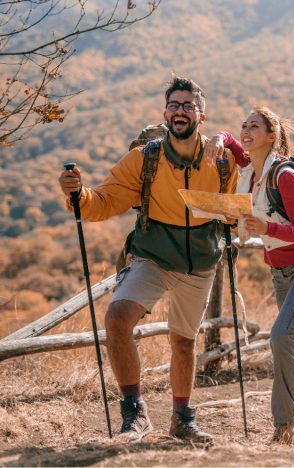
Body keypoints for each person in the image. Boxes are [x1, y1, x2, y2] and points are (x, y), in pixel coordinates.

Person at [58, 76, 241, 443]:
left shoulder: (221, 162)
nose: (180, 111)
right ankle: (135, 413)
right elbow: (105, 200)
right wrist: (78, 196)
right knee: (117, 319)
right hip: (153, 256)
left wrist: (234, 216)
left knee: (184, 342)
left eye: (188, 106)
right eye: (174, 105)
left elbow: (232, 209)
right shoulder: (145, 159)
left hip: (201, 263)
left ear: (201, 117)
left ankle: (182, 419)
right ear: (165, 112)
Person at [222, 106, 294, 444]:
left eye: (254, 126)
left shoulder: (284, 174)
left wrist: (265, 226)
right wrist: (218, 138)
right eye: (244, 124)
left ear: (271, 136)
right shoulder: (250, 171)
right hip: (281, 273)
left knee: (282, 336)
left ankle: (286, 425)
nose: (246, 130)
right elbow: (230, 142)